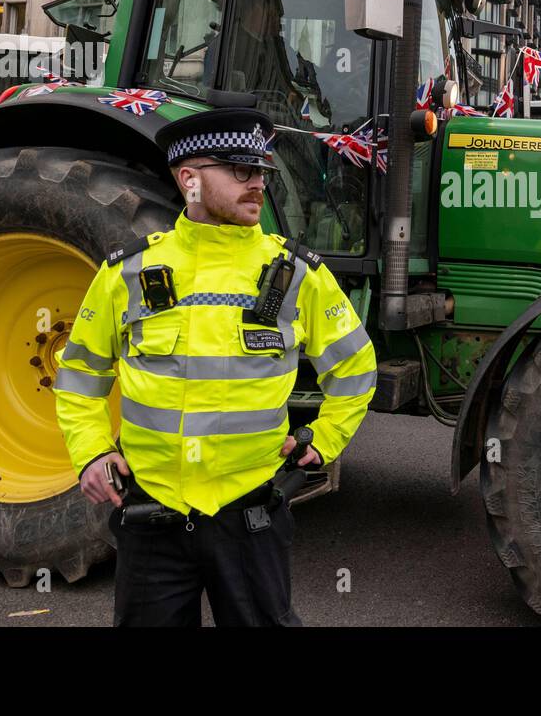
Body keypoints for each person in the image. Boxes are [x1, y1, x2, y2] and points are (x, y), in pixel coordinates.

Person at [53, 107, 376, 626]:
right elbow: (79, 378)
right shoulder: (127, 274)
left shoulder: (296, 276)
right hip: (151, 515)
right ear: (190, 180)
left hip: (249, 516)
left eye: (263, 172)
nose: (258, 185)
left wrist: (325, 439)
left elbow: (356, 370)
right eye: (240, 171)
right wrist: (90, 453)